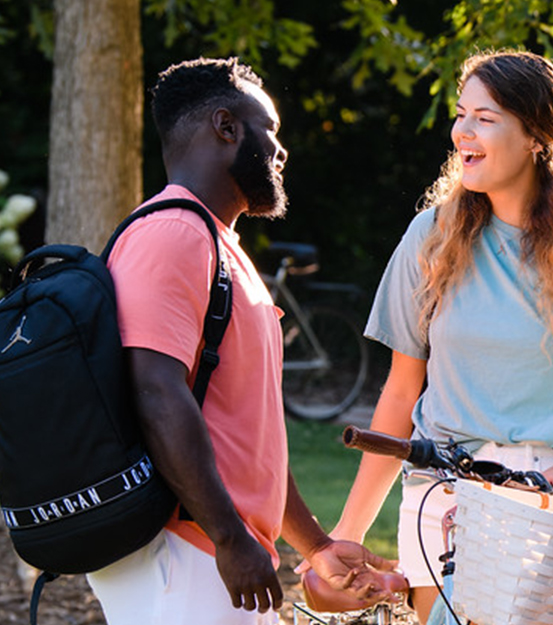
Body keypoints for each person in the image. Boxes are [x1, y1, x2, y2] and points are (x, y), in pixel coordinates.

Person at [302, 50, 553, 622]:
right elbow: (401, 393)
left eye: (485, 117)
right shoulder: (431, 237)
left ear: (536, 137)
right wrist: (346, 533)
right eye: (460, 113)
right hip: (441, 498)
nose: (462, 132)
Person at [93, 57, 393, 624]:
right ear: (227, 128)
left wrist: (316, 546)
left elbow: (250, 437)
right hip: (183, 550)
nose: (281, 152)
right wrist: (230, 537)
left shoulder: (217, 242)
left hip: (210, 547)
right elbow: (155, 392)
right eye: (270, 132)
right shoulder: (173, 233)